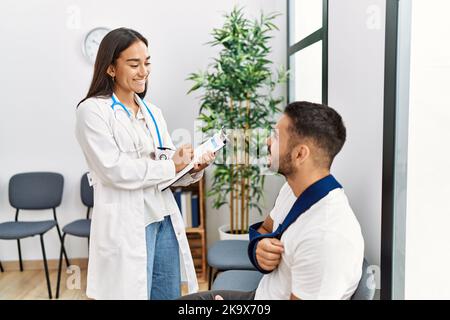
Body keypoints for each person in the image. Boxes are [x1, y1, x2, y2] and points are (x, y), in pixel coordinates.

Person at [75, 27, 215, 300]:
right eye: (134, 64)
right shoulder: (92, 111)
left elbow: (166, 168)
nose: (144, 71)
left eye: (147, 62)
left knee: (168, 294)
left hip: (161, 217)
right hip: (127, 223)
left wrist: (191, 167)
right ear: (111, 68)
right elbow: (114, 170)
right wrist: (171, 165)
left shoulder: (153, 113)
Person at [180, 101, 364, 300]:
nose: (267, 141)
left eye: (276, 137)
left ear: (300, 154)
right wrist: (259, 247)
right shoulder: (293, 189)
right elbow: (266, 229)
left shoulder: (326, 237)